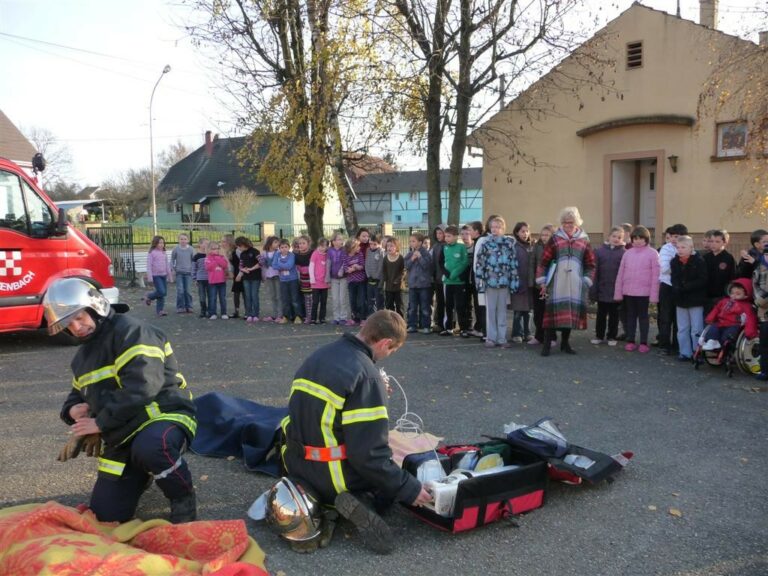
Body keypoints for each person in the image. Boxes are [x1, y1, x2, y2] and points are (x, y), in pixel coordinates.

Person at [43, 277, 197, 524]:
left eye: (80, 317)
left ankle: (183, 497)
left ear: (96, 306)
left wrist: (100, 423)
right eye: (69, 324)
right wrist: (73, 410)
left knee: (151, 447)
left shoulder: (132, 332)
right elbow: (77, 393)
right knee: (106, 516)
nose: (77, 327)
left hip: (162, 415)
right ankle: (144, 473)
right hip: (121, 430)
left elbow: (143, 386)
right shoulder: (81, 358)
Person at [279, 310, 431, 554]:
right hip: (333, 477)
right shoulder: (367, 376)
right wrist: (408, 488)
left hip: (296, 466)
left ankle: (316, 506)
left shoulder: (320, 356)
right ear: (385, 343)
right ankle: (361, 501)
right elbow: (370, 455)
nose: (387, 356)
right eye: (391, 351)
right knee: (388, 484)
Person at [535, 207, 596, 356]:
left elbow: (591, 264)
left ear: (577, 222)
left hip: (576, 282)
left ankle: (565, 343)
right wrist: (542, 280)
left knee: (569, 315)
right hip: (556, 282)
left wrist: (586, 280)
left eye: (571, 222)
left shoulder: (584, 239)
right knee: (551, 315)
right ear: (562, 223)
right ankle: (547, 345)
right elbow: (544, 261)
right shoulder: (555, 238)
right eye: (565, 222)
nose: (568, 224)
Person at [613, 226, 659, 353]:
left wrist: (654, 295)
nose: (638, 241)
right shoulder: (627, 253)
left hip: (644, 293)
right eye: (635, 238)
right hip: (628, 292)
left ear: (646, 239)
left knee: (643, 318)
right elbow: (620, 274)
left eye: (641, 238)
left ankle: (644, 342)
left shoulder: (652, 253)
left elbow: (656, 275)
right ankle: (631, 340)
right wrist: (618, 292)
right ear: (632, 239)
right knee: (630, 317)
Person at [475, 216, 518, 348]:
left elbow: (513, 264)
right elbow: (480, 263)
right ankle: (491, 338)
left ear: (503, 229)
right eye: (493, 227)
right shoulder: (485, 244)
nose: (495, 229)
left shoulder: (509, 244)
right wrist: (480, 280)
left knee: (502, 312)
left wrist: (514, 282)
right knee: (491, 311)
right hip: (490, 283)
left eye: (498, 227)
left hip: (504, 283)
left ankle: (501, 338)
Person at [670, 235, 708, 362]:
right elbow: (674, 278)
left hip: (695, 299)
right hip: (680, 299)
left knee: (696, 328)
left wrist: (686, 286)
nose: (680, 250)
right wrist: (677, 288)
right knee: (682, 328)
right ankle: (684, 352)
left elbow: (703, 279)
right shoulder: (674, 261)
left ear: (691, 247)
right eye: (678, 247)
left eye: (683, 247)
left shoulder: (699, 261)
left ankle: (697, 352)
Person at [590, 226, 626, 346]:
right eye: (614, 236)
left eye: (619, 237)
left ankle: (611, 336)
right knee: (601, 314)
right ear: (609, 237)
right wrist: (594, 289)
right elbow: (595, 272)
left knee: (614, 316)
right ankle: (599, 335)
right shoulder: (599, 252)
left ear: (623, 239)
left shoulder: (624, 253)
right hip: (602, 289)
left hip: (616, 290)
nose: (616, 239)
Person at [657, 224, 688, 355]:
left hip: (681, 286)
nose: (676, 239)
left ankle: (677, 345)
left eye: (679, 237)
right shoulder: (666, 248)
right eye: (674, 236)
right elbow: (664, 268)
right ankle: (664, 345)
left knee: (679, 318)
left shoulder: (688, 249)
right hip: (667, 286)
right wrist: (680, 266)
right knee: (666, 317)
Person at [702, 278, 757, 351]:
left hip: (734, 324)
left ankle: (722, 344)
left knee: (728, 335)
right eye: (732, 293)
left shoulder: (746, 306)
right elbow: (716, 309)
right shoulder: (724, 301)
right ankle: (712, 341)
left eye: (738, 294)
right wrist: (710, 318)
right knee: (713, 329)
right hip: (720, 322)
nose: (734, 295)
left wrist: (750, 332)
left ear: (746, 295)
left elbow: (750, 319)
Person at [440, 225, 470, 337]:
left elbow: (465, 262)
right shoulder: (444, 247)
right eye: (446, 236)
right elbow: (441, 263)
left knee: (461, 305)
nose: (447, 238)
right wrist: (448, 274)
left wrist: (455, 273)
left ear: (456, 237)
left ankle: (463, 329)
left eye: (449, 236)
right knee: (448, 305)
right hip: (448, 282)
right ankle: (448, 328)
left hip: (459, 282)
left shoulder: (461, 247)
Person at [404, 232, 434, 334]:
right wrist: (412, 259)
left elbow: (426, 266)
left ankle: (426, 326)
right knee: (412, 307)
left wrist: (420, 257)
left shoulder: (426, 254)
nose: (411, 243)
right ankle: (412, 325)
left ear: (420, 242)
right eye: (410, 241)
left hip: (424, 285)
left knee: (425, 307)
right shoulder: (409, 254)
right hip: (413, 285)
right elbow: (406, 266)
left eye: (413, 241)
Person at [530, 224, 555, 346]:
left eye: (547, 235)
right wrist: (532, 282)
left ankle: (552, 337)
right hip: (538, 285)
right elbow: (532, 264)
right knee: (538, 313)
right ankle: (538, 336)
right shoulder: (537, 246)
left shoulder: (556, 248)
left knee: (550, 313)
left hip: (551, 286)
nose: (544, 237)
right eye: (543, 235)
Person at [510, 222, 533, 343]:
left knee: (528, 311)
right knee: (518, 310)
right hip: (518, 282)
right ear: (517, 232)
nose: (525, 234)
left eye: (527, 231)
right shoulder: (514, 246)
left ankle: (527, 332)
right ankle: (516, 333)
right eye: (522, 231)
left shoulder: (532, 246)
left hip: (529, 283)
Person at [703, 229, 736, 314]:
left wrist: (728, 295)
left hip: (722, 296)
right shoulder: (705, 258)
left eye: (717, 242)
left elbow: (732, 278)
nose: (713, 244)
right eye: (711, 241)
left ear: (725, 243)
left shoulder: (728, 258)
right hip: (706, 296)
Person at [273, 238, 302, 324]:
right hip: (283, 280)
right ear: (279, 248)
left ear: (289, 247)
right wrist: (281, 265)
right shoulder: (277, 255)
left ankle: (298, 316)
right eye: (282, 247)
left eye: (286, 247)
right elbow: (274, 265)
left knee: (295, 299)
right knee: (285, 299)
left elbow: (289, 266)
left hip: (293, 280)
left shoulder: (292, 255)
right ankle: (286, 316)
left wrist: (279, 264)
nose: (284, 249)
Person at [751, 237, 768, 380]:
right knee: (764, 343)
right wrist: (761, 301)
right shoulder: (758, 269)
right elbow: (755, 287)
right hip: (764, 312)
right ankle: (765, 370)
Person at [236, 236, 262, 323]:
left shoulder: (255, 251)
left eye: (239, 246)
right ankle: (249, 314)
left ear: (243, 245)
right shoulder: (242, 254)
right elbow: (240, 265)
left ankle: (256, 314)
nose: (238, 248)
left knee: (254, 295)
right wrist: (243, 270)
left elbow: (261, 262)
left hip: (255, 277)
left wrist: (251, 269)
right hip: (246, 278)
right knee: (247, 296)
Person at [144, 235, 170, 317]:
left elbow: (167, 264)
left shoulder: (164, 252)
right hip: (156, 276)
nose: (161, 244)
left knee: (163, 293)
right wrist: (150, 277)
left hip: (164, 275)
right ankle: (149, 296)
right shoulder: (152, 253)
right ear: (155, 243)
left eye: (162, 243)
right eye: (159, 243)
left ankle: (160, 311)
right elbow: (149, 265)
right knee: (161, 292)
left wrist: (170, 275)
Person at [328, 232, 350, 325]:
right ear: (333, 241)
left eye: (342, 239)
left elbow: (346, 262)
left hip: (343, 278)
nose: (342, 241)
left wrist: (342, 270)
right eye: (339, 239)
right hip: (333, 278)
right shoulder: (329, 251)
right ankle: (336, 317)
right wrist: (327, 278)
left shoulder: (344, 250)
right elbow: (328, 265)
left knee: (342, 298)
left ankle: (343, 317)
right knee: (335, 298)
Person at [344, 238, 367, 326]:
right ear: (352, 247)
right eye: (357, 246)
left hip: (360, 281)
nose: (359, 247)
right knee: (352, 300)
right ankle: (355, 318)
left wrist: (356, 267)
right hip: (351, 282)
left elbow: (362, 266)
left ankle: (363, 319)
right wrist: (349, 269)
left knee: (361, 301)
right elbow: (345, 268)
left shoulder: (360, 254)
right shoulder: (346, 255)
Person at [205, 241, 229, 319]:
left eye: (217, 248)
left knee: (222, 298)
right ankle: (213, 313)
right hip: (212, 282)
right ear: (209, 250)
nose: (216, 250)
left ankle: (224, 313)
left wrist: (218, 259)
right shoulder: (207, 258)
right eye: (214, 249)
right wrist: (215, 261)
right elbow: (208, 268)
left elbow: (224, 265)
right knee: (212, 298)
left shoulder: (221, 257)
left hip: (222, 281)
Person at [260, 236, 282, 322]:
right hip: (268, 276)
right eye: (275, 242)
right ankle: (274, 314)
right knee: (272, 296)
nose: (278, 244)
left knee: (279, 296)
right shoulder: (264, 253)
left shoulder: (279, 252)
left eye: (278, 242)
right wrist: (263, 276)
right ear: (270, 243)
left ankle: (280, 314)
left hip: (277, 276)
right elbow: (263, 267)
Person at [309, 238, 331, 324]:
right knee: (315, 302)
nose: (322, 248)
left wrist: (328, 281)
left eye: (324, 246)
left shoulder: (328, 255)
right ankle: (313, 318)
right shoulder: (315, 254)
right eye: (321, 246)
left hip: (324, 283)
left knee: (323, 302)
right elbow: (311, 266)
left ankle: (322, 318)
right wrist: (312, 279)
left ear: (327, 247)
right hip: (316, 283)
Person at [171, 233, 194, 314]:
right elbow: (172, 260)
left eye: (185, 239)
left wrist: (193, 271)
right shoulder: (176, 249)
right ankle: (180, 307)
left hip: (188, 273)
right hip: (179, 273)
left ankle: (189, 306)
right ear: (178, 240)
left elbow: (193, 261)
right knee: (180, 291)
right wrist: (173, 269)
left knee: (188, 291)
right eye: (181, 239)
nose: (183, 241)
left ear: (188, 240)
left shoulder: (191, 249)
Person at [381, 236, 405, 316]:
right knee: (389, 305)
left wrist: (398, 279)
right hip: (388, 287)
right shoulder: (385, 258)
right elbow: (383, 272)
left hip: (398, 287)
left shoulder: (400, 258)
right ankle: (391, 323)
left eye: (391, 246)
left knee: (399, 306)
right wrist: (381, 284)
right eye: (388, 246)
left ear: (396, 247)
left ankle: (401, 322)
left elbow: (403, 271)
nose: (389, 248)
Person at [430, 226, 447, 332]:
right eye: (437, 233)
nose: (439, 235)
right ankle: (439, 323)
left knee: (446, 303)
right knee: (439, 302)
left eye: (441, 233)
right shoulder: (435, 246)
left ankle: (447, 324)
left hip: (446, 278)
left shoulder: (447, 246)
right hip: (437, 278)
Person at [294, 235, 314, 324]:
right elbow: (297, 267)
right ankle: (307, 316)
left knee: (313, 299)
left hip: (313, 281)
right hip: (303, 281)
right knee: (306, 299)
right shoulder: (297, 255)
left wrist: (308, 269)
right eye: (299, 244)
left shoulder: (313, 253)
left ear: (308, 244)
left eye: (303, 243)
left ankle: (313, 316)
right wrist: (302, 270)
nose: (301, 245)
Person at [223, 234, 242, 319]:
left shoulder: (237, 250)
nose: (222, 243)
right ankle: (236, 311)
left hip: (242, 273)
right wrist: (229, 272)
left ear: (229, 242)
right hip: (236, 274)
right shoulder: (228, 251)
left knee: (244, 293)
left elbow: (243, 261)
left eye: (224, 241)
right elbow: (229, 264)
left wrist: (240, 273)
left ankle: (248, 312)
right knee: (236, 292)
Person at [365, 234, 384, 316]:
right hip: (369, 279)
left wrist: (376, 276)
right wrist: (368, 275)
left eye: (375, 244)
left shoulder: (381, 251)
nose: (372, 246)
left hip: (378, 280)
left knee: (378, 299)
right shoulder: (368, 251)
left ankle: (379, 316)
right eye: (371, 244)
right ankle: (371, 316)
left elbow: (381, 265)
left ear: (380, 244)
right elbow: (366, 263)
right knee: (370, 299)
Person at [192, 238, 209, 318]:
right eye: (205, 243)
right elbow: (194, 268)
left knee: (210, 295)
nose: (207, 245)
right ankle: (203, 310)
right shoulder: (196, 256)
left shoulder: (210, 255)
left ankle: (210, 310)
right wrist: (194, 278)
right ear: (200, 245)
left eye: (208, 244)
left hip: (210, 279)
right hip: (201, 279)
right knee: (202, 296)